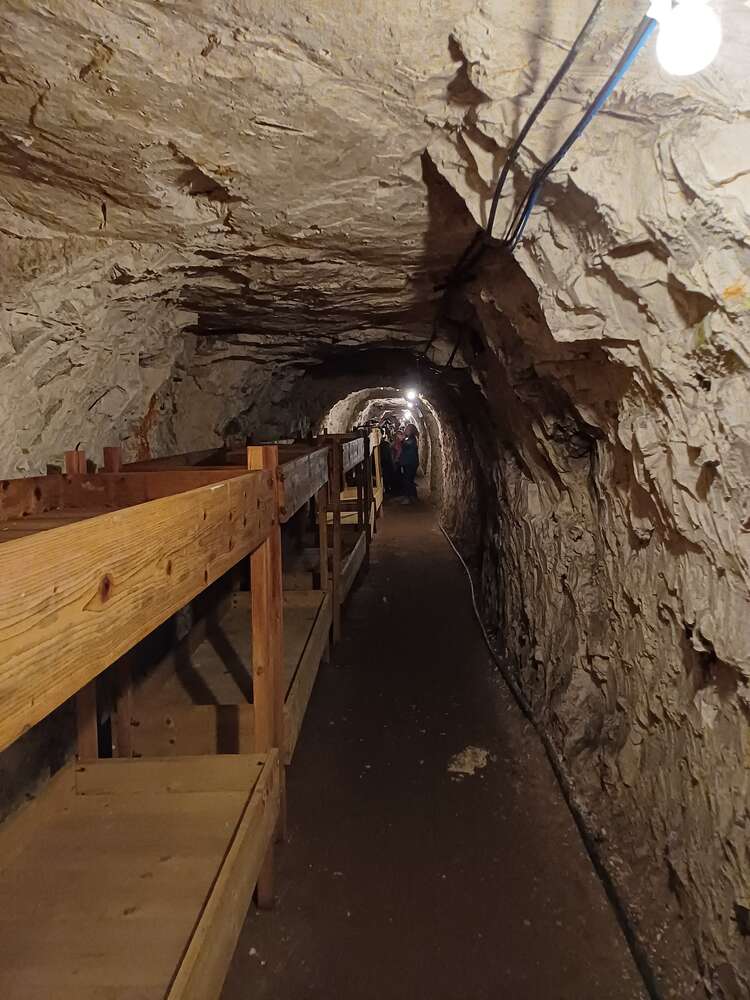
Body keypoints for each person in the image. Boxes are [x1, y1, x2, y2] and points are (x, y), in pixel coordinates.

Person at [399, 423, 419, 504]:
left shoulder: (412, 439)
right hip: (410, 462)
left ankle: (408, 498)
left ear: (411, 431)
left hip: (410, 463)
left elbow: (407, 445)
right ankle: (413, 497)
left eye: (407, 429)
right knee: (410, 480)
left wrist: (402, 440)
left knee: (408, 480)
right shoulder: (410, 438)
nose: (405, 430)